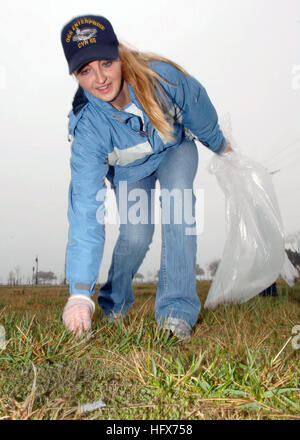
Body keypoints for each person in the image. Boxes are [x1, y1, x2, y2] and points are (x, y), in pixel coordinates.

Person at [60, 15, 232, 339]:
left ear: (119, 54)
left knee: (178, 208)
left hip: (174, 151)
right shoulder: (88, 129)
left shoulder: (163, 79)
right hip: (129, 173)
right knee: (137, 235)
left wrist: (221, 146)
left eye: (106, 62)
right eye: (85, 70)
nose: (99, 78)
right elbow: (85, 210)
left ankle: (176, 314)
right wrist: (80, 292)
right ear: (76, 76)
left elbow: (200, 109)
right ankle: (113, 301)